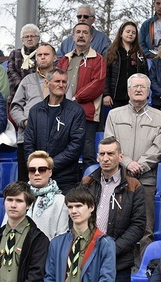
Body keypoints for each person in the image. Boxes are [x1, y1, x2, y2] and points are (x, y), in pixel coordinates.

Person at [104, 73, 161, 254]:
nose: (139, 90)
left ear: (149, 92)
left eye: (143, 87)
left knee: (146, 226)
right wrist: (127, 163)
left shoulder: (160, 117)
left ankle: (144, 269)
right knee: (116, 223)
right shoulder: (115, 115)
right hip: (119, 177)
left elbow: (158, 148)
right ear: (128, 91)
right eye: (135, 86)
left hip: (145, 179)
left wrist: (139, 165)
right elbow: (109, 144)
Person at [82, 136, 146, 282]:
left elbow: (138, 226)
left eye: (110, 153)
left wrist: (110, 249)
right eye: (102, 154)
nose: (105, 158)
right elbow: (77, 216)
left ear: (121, 156)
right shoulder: (86, 183)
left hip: (119, 261)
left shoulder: (134, 186)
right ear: (97, 157)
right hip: (88, 258)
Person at [43, 185, 116, 282]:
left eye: (79, 206)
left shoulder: (105, 243)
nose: (74, 211)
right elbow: (49, 281)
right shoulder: (56, 243)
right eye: (70, 207)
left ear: (91, 207)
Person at [24, 68, 86, 194]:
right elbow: (28, 143)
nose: (61, 85)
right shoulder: (35, 111)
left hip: (66, 178)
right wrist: (39, 167)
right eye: (57, 81)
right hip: (39, 176)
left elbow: (76, 145)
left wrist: (49, 165)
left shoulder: (76, 111)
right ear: (47, 83)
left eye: (64, 82)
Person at [57, 22, 106, 171]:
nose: (81, 35)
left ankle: (89, 190)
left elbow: (97, 85)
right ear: (73, 36)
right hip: (63, 113)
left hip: (87, 114)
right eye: (78, 32)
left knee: (88, 154)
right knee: (64, 152)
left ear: (91, 37)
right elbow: (56, 83)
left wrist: (76, 99)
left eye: (85, 33)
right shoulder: (64, 60)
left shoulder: (98, 59)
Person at [11, 43, 58, 181]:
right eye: (39, 55)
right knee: (25, 183)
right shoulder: (27, 80)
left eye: (46, 54)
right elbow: (15, 107)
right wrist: (24, 122)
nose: (42, 57)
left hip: (53, 139)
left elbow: (69, 108)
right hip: (27, 137)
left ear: (54, 57)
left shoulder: (61, 80)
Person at [5, 151, 69, 240]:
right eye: (32, 170)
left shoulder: (60, 200)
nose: (37, 173)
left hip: (47, 250)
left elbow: (61, 235)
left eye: (42, 169)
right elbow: (5, 228)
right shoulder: (16, 195)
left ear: (50, 172)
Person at [104, 21, 148, 109]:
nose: (130, 34)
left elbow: (145, 75)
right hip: (115, 97)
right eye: (128, 31)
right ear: (121, 33)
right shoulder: (112, 52)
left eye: (133, 33)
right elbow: (106, 74)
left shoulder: (139, 54)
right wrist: (106, 94)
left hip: (134, 97)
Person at [8, 23, 41, 101]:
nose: (29, 39)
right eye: (26, 36)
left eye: (32, 36)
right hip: (17, 93)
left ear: (38, 38)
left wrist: (32, 88)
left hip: (38, 93)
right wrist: (22, 86)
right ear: (22, 39)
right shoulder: (15, 54)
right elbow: (11, 72)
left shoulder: (42, 53)